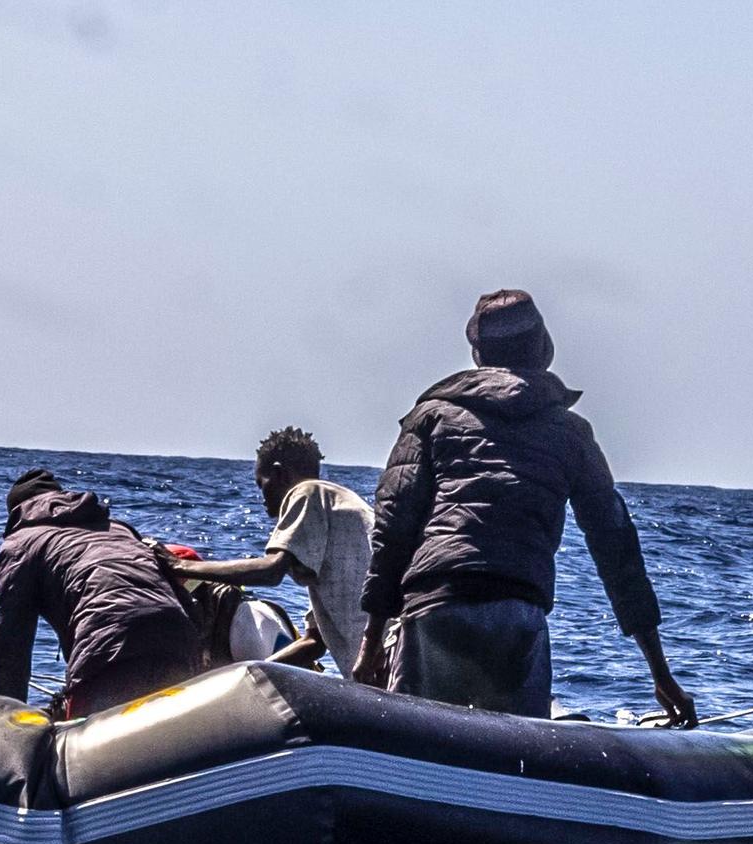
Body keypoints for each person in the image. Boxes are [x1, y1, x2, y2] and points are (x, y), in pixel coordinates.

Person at [351, 289, 695, 725]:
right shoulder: (572, 433)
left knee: (409, 754)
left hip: (436, 609)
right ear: (543, 350)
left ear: (478, 354)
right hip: (518, 614)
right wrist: (661, 674)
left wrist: (370, 646)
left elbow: (393, 528)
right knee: (513, 765)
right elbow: (617, 551)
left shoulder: (431, 418)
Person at [0, 469, 202, 718]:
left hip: (107, 648)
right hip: (179, 638)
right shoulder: (120, 529)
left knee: (96, 750)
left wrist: (5, 722)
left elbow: (9, 645)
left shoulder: (21, 543)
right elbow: (177, 596)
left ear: (16, 512)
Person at [164, 427, 374, 676]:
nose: (260, 496)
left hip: (385, 651)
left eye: (260, 483)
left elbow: (271, 571)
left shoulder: (309, 492)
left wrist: (181, 567)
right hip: (384, 655)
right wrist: (244, 676)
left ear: (278, 473)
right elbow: (315, 643)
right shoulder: (337, 514)